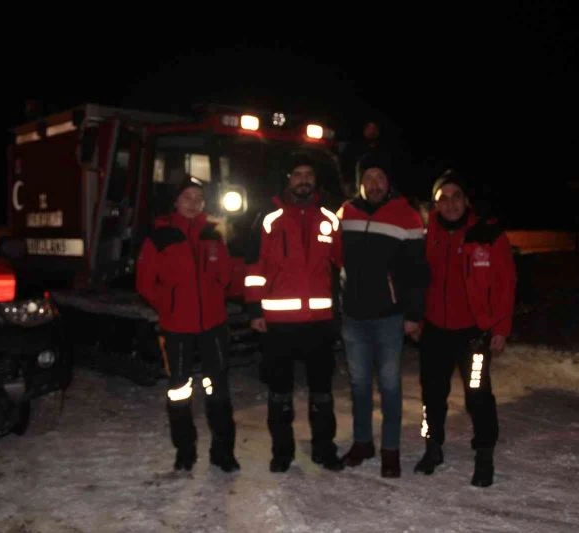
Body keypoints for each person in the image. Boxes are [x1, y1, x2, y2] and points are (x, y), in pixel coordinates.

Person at [414, 170, 516, 487]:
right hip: (434, 332)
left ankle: (484, 452)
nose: (450, 203)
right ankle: (432, 446)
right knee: (431, 395)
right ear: (435, 203)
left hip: (474, 335)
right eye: (443, 198)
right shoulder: (422, 234)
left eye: (456, 196)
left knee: (478, 395)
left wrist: (500, 327)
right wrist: (414, 318)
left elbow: (506, 283)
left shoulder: (487, 235)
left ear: (466, 200)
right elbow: (411, 280)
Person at [244, 153, 345, 473]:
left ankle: (324, 449)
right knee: (279, 393)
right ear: (288, 179)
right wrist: (254, 308)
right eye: (298, 174)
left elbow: (342, 265)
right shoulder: (269, 218)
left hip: (319, 323)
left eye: (309, 175)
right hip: (279, 323)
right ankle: (282, 452)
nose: (304, 180)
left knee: (322, 393)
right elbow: (254, 267)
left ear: (315, 181)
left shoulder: (330, 219)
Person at [136, 176, 240, 473]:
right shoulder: (160, 236)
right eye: (187, 197)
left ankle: (223, 453)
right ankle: (185, 452)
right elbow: (145, 282)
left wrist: (220, 262)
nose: (193, 203)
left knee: (217, 390)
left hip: (214, 326)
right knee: (179, 391)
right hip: (177, 328)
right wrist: (169, 305)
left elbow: (226, 275)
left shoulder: (213, 234)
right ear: (176, 202)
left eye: (198, 198)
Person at [337, 151, 429, 478]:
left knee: (390, 385)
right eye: (369, 178)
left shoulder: (407, 216)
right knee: (359, 384)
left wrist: (413, 315)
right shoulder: (345, 213)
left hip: (390, 316)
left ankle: (391, 449)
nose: (374, 184)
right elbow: (334, 258)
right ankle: (363, 442)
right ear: (360, 181)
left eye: (380, 178)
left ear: (389, 182)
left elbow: (418, 272)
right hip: (353, 316)